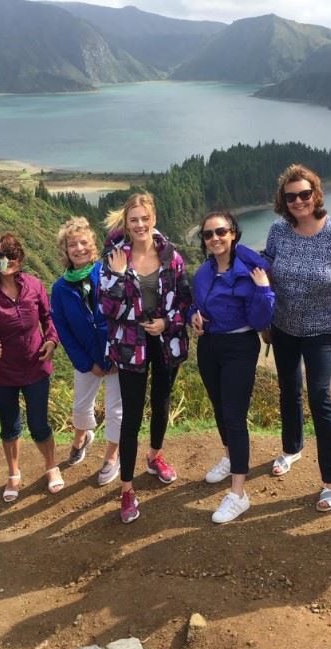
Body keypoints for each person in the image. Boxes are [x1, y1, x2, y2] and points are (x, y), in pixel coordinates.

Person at [262, 164, 331, 512]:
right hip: (283, 327)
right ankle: (291, 449)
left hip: (321, 330)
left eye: (305, 194)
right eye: (291, 197)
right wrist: (264, 319)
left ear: (316, 194)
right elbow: (267, 277)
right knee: (288, 389)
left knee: (320, 397)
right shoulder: (278, 231)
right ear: (283, 201)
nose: (299, 201)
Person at [99, 193, 191, 524]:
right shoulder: (113, 258)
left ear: (153, 219)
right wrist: (120, 276)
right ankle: (126, 489)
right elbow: (106, 309)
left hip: (165, 342)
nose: (139, 224)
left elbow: (184, 300)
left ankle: (154, 456)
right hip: (130, 345)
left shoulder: (171, 256)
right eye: (133, 219)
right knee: (132, 413)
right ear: (126, 222)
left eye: (144, 218)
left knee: (162, 402)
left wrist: (166, 323)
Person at [190, 211, 274, 523]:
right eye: (209, 234)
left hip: (239, 346)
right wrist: (193, 316)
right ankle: (228, 456)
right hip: (209, 345)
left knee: (235, 417)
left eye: (221, 232)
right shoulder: (203, 272)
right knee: (218, 407)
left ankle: (239, 494)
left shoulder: (250, 271)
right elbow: (194, 303)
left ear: (233, 234)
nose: (215, 238)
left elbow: (260, 321)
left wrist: (264, 290)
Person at [0, 232, 60, 502]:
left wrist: (52, 341)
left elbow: (47, 317)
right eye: (0, 255)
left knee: (39, 423)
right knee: (10, 425)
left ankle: (51, 467)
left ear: (20, 258)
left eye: (12, 254)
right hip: (2, 372)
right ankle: (13, 473)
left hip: (35, 365)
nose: (7, 260)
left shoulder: (33, 285)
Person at [51, 217, 122, 486]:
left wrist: (116, 354)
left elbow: (121, 315)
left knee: (117, 411)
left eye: (83, 243)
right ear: (65, 251)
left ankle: (111, 457)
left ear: (92, 246)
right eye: (72, 245)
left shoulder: (106, 275)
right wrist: (85, 362)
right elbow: (63, 331)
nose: (78, 248)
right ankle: (82, 437)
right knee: (81, 407)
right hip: (86, 358)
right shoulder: (59, 289)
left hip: (115, 356)